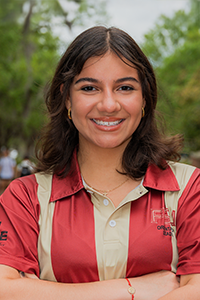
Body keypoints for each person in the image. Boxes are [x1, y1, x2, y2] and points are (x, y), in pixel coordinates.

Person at [0, 26, 200, 300]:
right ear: (67, 98)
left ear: (145, 98)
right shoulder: (26, 198)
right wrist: (131, 289)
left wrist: (42, 291)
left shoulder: (190, 189)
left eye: (125, 87)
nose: (108, 104)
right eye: (90, 88)